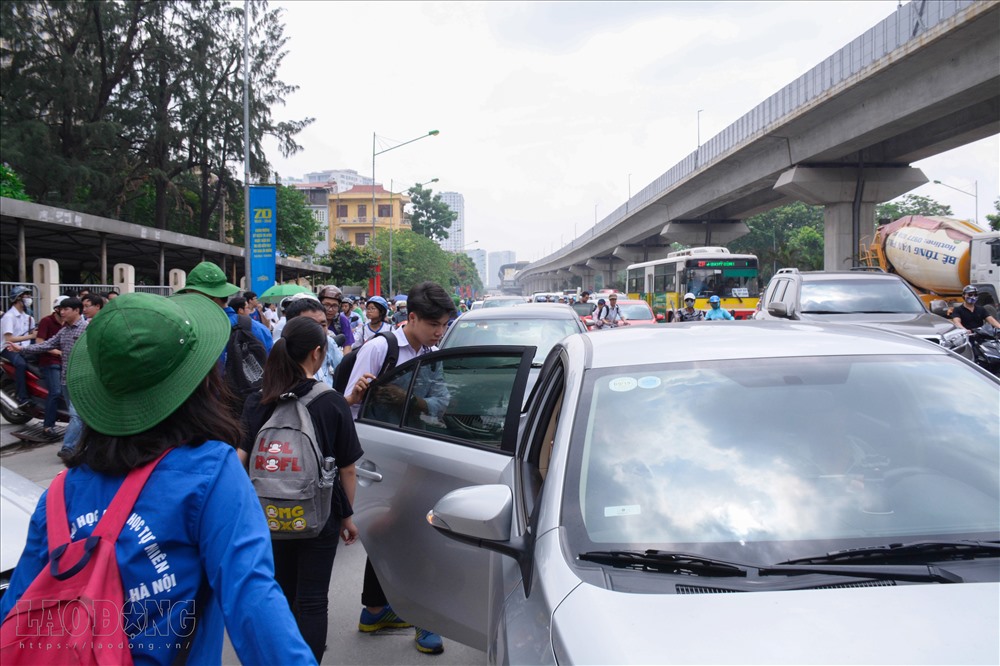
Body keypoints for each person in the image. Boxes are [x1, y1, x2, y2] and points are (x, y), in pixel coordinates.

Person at [0, 292, 317, 665]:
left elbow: (16, 609)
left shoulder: (60, 491)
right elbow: (254, 603)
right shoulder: (212, 472)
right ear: (199, 382)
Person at [237, 316, 362, 662]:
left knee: (278, 593)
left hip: (268, 515)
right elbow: (348, 469)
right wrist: (346, 517)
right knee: (312, 600)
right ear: (317, 353)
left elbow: (240, 459)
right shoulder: (331, 401)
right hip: (318, 515)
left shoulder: (258, 400)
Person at [344, 281, 456, 655]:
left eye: (443, 325)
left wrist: (415, 401)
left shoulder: (433, 352)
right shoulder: (380, 349)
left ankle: (375, 610)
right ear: (411, 317)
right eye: (434, 325)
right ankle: (424, 619)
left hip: (419, 457)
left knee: (396, 533)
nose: (439, 333)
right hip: (381, 459)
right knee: (412, 536)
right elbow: (349, 410)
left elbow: (442, 402)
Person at [9, 298, 87, 459]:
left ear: (77, 310)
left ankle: (69, 447)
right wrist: (21, 349)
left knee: (76, 414)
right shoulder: (64, 331)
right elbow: (46, 344)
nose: (62, 312)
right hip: (65, 379)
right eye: (61, 309)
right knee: (79, 415)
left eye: (66, 309)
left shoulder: (87, 329)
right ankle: (84, 445)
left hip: (82, 379)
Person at [176, 261, 273, 357]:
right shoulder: (259, 329)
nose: (189, 301)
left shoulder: (194, 333)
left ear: (212, 296)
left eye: (192, 296)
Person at [283, 295, 344, 387]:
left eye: (323, 325)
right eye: (311, 325)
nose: (319, 330)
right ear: (292, 326)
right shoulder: (282, 349)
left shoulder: (329, 342)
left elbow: (342, 372)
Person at [33, 295, 70, 440]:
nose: (65, 312)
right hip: (50, 362)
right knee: (55, 391)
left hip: (66, 362)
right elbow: (40, 342)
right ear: (58, 310)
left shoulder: (70, 324)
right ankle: (48, 426)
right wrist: (59, 352)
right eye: (64, 309)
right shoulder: (46, 321)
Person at [1, 285, 36, 408]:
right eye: (26, 295)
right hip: (7, 348)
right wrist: (30, 337)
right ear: (17, 298)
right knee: (21, 364)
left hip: (23, 348)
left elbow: (34, 333)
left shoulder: (28, 317)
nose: (29, 298)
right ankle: (22, 397)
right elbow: (9, 339)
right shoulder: (9, 317)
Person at [318, 285, 355, 353]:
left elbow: (347, 347)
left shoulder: (342, 320)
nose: (330, 309)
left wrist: (342, 362)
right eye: (326, 305)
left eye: (334, 306)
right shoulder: (313, 319)